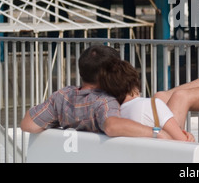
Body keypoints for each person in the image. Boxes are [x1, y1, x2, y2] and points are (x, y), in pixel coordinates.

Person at [98, 40, 199, 142]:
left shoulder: (114, 109)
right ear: (134, 82)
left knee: (160, 96)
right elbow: (183, 142)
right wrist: (183, 137)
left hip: (151, 151)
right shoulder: (148, 106)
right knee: (181, 97)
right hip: (166, 154)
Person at [20, 44, 172, 139]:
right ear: (107, 74)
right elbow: (112, 126)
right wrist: (156, 132)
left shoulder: (62, 96)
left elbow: (28, 124)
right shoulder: (105, 101)